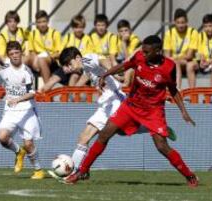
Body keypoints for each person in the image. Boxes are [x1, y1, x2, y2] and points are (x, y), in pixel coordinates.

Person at [63, 35, 199, 188]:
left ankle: (190, 175)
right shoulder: (140, 57)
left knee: (162, 147)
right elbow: (124, 66)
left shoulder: (169, 66)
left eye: (147, 52)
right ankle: (82, 171)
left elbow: (173, 90)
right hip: (131, 105)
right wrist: (106, 74)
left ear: (158, 51)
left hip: (153, 111)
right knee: (105, 134)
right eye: (143, 50)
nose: (143, 54)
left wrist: (184, 112)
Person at [47, 47, 177, 179]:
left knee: (121, 131)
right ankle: (74, 172)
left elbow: (103, 60)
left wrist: (113, 73)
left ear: (77, 58)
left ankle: (155, 127)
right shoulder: (85, 67)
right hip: (106, 103)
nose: (68, 68)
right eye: (66, 66)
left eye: (69, 64)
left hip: (115, 100)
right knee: (84, 137)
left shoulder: (87, 59)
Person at [0, 41, 44, 179]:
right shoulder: (3, 70)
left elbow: (31, 93)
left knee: (28, 144)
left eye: (17, 53)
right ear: (8, 56)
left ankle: (38, 170)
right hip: (10, 110)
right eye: (11, 54)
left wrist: (18, 99)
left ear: (21, 53)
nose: (15, 56)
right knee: (2, 137)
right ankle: (18, 152)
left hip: (27, 110)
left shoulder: (27, 71)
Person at [40, 15, 93, 92]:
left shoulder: (87, 39)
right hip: (66, 66)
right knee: (52, 81)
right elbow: (61, 54)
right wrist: (65, 66)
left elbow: (87, 57)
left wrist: (75, 66)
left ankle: (71, 98)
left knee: (74, 77)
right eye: (76, 27)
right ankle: (41, 94)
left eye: (81, 27)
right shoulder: (67, 37)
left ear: (84, 27)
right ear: (72, 27)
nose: (78, 30)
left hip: (78, 68)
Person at [163, 8, 199, 89]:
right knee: (174, 63)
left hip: (190, 62)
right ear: (174, 22)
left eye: (183, 22)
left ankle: (192, 93)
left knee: (189, 65)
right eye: (178, 23)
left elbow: (189, 56)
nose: (180, 25)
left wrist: (175, 58)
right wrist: (175, 59)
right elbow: (167, 56)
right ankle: (177, 90)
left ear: (186, 22)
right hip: (176, 62)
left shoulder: (193, 32)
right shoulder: (169, 33)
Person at [27, 10, 61, 83]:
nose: (42, 24)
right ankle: (20, 88)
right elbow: (31, 51)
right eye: (39, 22)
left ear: (48, 21)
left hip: (51, 59)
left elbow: (58, 53)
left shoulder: (55, 33)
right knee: (25, 59)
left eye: (44, 21)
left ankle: (47, 89)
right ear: (36, 23)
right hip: (36, 60)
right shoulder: (32, 34)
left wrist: (48, 57)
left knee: (42, 60)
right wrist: (36, 59)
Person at [115, 19, 141, 87]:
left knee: (129, 69)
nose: (124, 33)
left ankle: (124, 84)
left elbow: (128, 60)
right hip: (120, 66)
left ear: (130, 30)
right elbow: (113, 56)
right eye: (121, 31)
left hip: (132, 67)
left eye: (126, 30)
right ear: (118, 32)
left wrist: (124, 43)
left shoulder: (135, 40)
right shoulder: (116, 39)